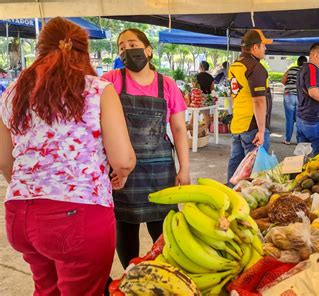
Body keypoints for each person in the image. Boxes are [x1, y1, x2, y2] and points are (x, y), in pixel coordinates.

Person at [0, 17, 136, 295]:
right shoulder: (98, 90)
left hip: (20, 216)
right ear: (83, 51)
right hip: (78, 215)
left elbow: (4, 160)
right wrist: (120, 175)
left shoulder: (13, 92)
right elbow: (123, 159)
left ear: (40, 49)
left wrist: (32, 188)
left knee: (45, 289)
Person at [102, 28, 190, 269]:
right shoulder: (110, 81)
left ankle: (162, 274)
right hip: (121, 171)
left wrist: (184, 168)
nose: (126, 50)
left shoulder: (168, 85)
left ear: (148, 50)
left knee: (163, 231)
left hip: (160, 170)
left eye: (132, 44)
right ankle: (132, 275)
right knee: (125, 226)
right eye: (121, 47)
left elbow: (180, 130)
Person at [227, 29, 273, 182]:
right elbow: (259, 100)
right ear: (255, 47)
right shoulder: (255, 68)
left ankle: (230, 195)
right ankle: (248, 202)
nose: (265, 49)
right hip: (253, 126)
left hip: (238, 123)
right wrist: (261, 130)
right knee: (255, 172)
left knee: (236, 166)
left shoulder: (235, 65)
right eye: (263, 45)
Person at [281, 55, 307, 145]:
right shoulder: (306, 71)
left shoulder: (291, 69)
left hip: (289, 95)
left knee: (289, 119)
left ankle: (287, 140)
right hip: (300, 97)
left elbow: (283, 80)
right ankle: (299, 141)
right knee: (299, 119)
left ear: (298, 62)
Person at [194, 60, 214, 129]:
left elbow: (194, 87)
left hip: (197, 98)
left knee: (195, 114)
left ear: (201, 67)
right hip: (207, 98)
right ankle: (206, 130)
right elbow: (212, 88)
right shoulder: (210, 77)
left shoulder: (197, 76)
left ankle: (192, 130)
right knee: (206, 114)